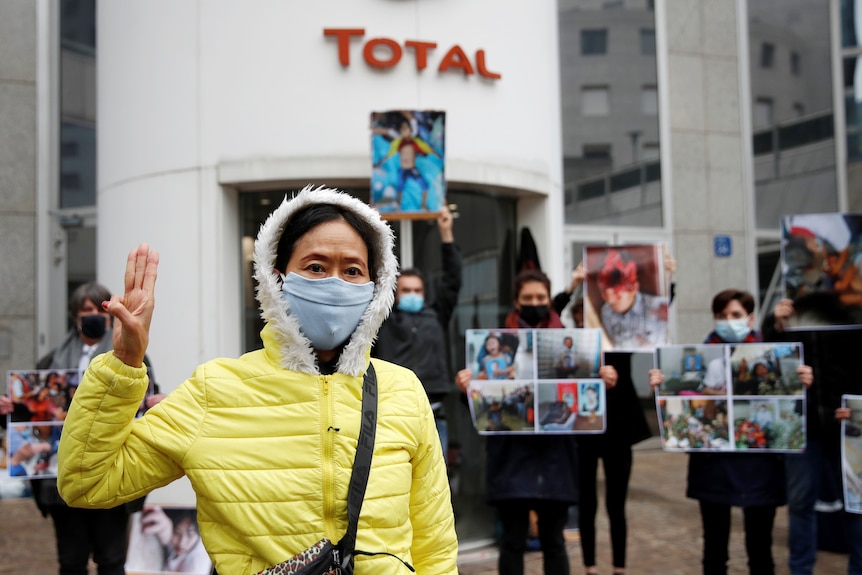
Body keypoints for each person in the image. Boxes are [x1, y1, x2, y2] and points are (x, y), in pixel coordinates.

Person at [57, 186, 458, 575]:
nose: (335, 283)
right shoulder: (217, 389)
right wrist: (124, 364)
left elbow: (433, 543)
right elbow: (87, 481)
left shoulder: (403, 390)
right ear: (277, 278)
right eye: (315, 266)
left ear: (376, 286)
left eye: (353, 270)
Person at [455, 268, 618, 575]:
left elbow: (586, 403)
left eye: (540, 297)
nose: (535, 302)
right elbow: (482, 407)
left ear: (549, 299)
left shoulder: (574, 344)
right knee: (513, 541)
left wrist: (603, 382)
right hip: (511, 458)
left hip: (557, 458)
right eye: (528, 297)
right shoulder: (497, 345)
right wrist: (467, 389)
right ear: (516, 302)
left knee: (554, 541)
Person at [650, 288, 813, 575]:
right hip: (713, 466)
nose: (728, 321)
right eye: (721, 316)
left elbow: (788, 411)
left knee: (760, 550)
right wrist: (663, 386)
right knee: (714, 549)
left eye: (735, 315)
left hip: (760, 466)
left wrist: (800, 383)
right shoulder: (708, 359)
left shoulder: (771, 355)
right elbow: (692, 402)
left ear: (750, 319)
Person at [30, 282, 162, 575]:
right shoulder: (50, 361)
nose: (91, 315)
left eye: (98, 309)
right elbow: (30, 414)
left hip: (112, 469)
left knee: (112, 560)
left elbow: (145, 399)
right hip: (60, 477)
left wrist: (155, 404)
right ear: (75, 315)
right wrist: (10, 411)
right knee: (71, 561)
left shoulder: (133, 354)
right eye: (85, 310)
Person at [553, 260, 662, 575]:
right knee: (586, 502)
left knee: (617, 504)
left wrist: (666, 279)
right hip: (584, 426)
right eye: (579, 315)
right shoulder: (570, 345)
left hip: (619, 427)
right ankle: (589, 567)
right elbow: (548, 317)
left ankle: (619, 568)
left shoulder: (621, 337)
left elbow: (655, 315)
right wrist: (572, 285)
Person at [765, 292, 862, 575]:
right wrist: (777, 326)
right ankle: (801, 570)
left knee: (855, 502)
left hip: (848, 423)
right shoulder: (790, 310)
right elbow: (766, 365)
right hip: (801, 426)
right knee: (800, 502)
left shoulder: (851, 308)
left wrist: (856, 405)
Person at [372, 205, 462, 454]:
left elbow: (453, 280)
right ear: (395, 294)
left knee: (434, 485)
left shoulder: (436, 315)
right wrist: (373, 229)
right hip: (391, 414)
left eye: (417, 290)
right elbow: (374, 276)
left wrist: (446, 232)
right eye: (406, 290)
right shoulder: (383, 319)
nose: (412, 294)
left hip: (433, 413)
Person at [138, 505, 212, 574]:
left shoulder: (198, 564)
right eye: (177, 532)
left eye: (190, 534)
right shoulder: (166, 529)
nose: (182, 542)